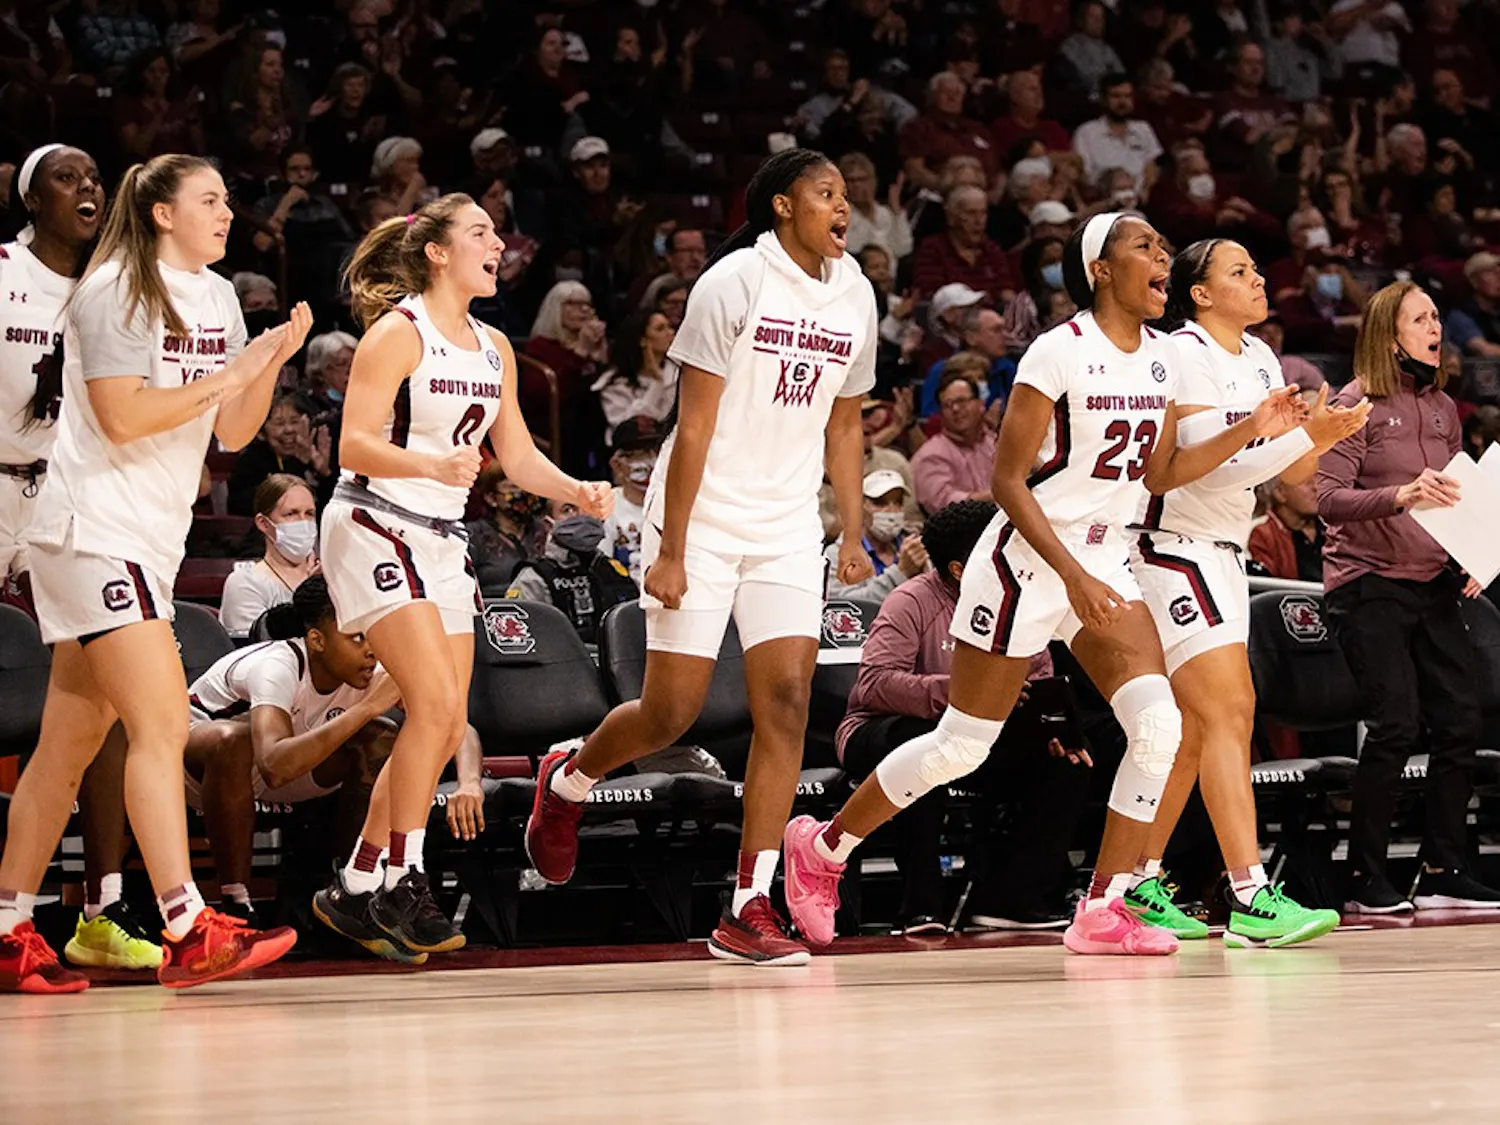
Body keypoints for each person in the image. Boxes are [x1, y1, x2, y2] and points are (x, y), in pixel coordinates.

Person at [778, 212, 1306, 958]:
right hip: (1027, 561)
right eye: (1144, 246)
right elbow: (1007, 482)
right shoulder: (1056, 354)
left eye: (1162, 246)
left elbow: (1160, 474)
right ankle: (825, 847)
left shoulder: (1161, 359)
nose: (1161, 256)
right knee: (962, 744)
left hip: (1106, 560)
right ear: (1100, 268)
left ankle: (1104, 905)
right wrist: (1070, 575)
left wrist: (1250, 425)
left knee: (1161, 726)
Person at [525, 148, 877, 965]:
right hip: (705, 514)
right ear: (782, 206)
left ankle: (749, 902)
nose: (843, 207)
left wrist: (852, 530)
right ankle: (569, 779)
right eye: (825, 193)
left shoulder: (855, 290)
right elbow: (697, 426)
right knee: (671, 711)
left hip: (788, 519)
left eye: (845, 195)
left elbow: (847, 423)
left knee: (786, 701)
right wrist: (673, 546)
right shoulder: (731, 284)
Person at [0, 153, 311, 993]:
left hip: (147, 537)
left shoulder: (213, 294)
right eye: (209, 199)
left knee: (64, 745)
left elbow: (238, 432)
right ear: (163, 213)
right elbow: (122, 413)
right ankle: (184, 922)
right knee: (162, 722)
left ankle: (5, 928)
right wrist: (231, 373)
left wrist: (272, 357)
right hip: (89, 529)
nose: (227, 212)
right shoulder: (113, 291)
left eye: (227, 198)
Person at [311, 192, 611, 960]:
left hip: (442, 535)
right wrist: (431, 464)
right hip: (374, 518)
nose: (498, 242)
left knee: (442, 723)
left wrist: (574, 489)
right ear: (438, 251)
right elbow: (351, 445)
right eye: (479, 231)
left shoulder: (494, 345)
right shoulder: (396, 334)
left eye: (497, 231)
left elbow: (514, 455)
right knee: (436, 700)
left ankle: (354, 885)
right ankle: (405, 877)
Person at [1124, 238, 1367, 947]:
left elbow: (1289, 480)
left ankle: (1135, 883)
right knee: (1233, 707)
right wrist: (1297, 438)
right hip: (1169, 546)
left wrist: (1329, 436)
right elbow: (1200, 472)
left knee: (1195, 731)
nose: (1259, 279)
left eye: (1259, 270)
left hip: (1225, 549)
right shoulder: (1181, 353)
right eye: (1240, 272)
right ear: (1200, 292)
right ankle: (1250, 893)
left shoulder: (1261, 359)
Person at [0, 144, 162, 976]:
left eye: (96, 178)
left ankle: (101, 904)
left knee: (99, 701)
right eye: (67, 178)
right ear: (31, 199)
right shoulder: (2, 272)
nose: (88, 189)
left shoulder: (116, 289)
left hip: (70, 500)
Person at [1318, 280, 1500, 913]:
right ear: (1387, 333)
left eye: (1434, 317)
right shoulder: (1354, 403)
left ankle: (1447, 866)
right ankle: (1367, 879)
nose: (1435, 327)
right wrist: (1400, 495)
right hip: (1367, 583)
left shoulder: (1445, 408)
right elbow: (1325, 497)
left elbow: (1453, 495)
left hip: (1432, 580)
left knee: (1460, 721)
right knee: (1395, 724)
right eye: (1421, 318)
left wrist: (1473, 554)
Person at [836, 499, 1091, 933]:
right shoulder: (910, 601)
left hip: (976, 737)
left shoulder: (1019, 603)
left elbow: (1040, 678)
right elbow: (873, 685)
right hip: (880, 731)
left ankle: (1011, 899)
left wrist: (1047, 729)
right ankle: (922, 905)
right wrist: (959, 691)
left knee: (1067, 764)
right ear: (959, 570)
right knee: (923, 749)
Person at [184, 576, 407, 936]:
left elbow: (455, 726)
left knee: (381, 739)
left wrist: (471, 782)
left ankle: (351, 895)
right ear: (317, 640)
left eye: (372, 634)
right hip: (201, 769)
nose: (371, 649)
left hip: (292, 764)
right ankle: (236, 905)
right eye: (357, 637)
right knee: (235, 740)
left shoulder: (370, 667)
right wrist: (364, 709)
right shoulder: (276, 666)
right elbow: (272, 766)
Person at [506, 498, 637, 643]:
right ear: (549, 524)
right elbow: (518, 642)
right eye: (568, 510)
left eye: (588, 508)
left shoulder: (612, 569)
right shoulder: (535, 578)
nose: (580, 516)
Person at [219, 473, 319, 637]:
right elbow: (257, 651)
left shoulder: (330, 579)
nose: (303, 522)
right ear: (264, 523)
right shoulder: (245, 583)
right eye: (291, 514)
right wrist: (310, 594)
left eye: (309, 514)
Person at [823, 469, 927, 604]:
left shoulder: (915, 549)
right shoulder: (837, 554)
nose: (891, 511)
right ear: (860, 507)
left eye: (898, 503)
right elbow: (847, 606)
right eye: (880, 503)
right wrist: (900, 573)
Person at [227, 392, 331, 515]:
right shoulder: (251, 461)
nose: (288, 430)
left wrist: (324, 474)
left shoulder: (322, 453)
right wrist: (297, 466)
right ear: (262, 432)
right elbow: (239, 506)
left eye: (294, 421)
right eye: (279, 423)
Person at [911, 369, 998, 514]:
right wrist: (993, 496)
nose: (956, 409)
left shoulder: (994, 443)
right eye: (947, 405)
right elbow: (942, 504)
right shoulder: (930, 455)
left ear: (980, 404)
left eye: (961, 401)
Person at [595, 308, 678, 442]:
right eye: (660, 329)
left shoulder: (678, 374)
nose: (671, 333)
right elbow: (629, 427)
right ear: (642, 340)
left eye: (670, 327)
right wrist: (657, 383)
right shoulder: (614, 383)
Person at [466, 462, 546, 590]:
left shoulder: (545, 530)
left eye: (526, 487)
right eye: (513, 488)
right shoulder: (473, 535)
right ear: (491, 498)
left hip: (542, 607)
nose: (522, 493)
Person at [600, 416, 662, 582]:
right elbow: (601, 567)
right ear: (617, 464)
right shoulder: (605, 505)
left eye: (656, 451)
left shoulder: (683, 504)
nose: (651, 461)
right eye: (640, 454)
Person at [1248, 474, 1324, 582]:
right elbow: (1265, 589)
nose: (1316, 487)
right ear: (1280, 492)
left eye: (1318, 480)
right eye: (1306, 482)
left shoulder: (1337, 529)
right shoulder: (1261, 534)